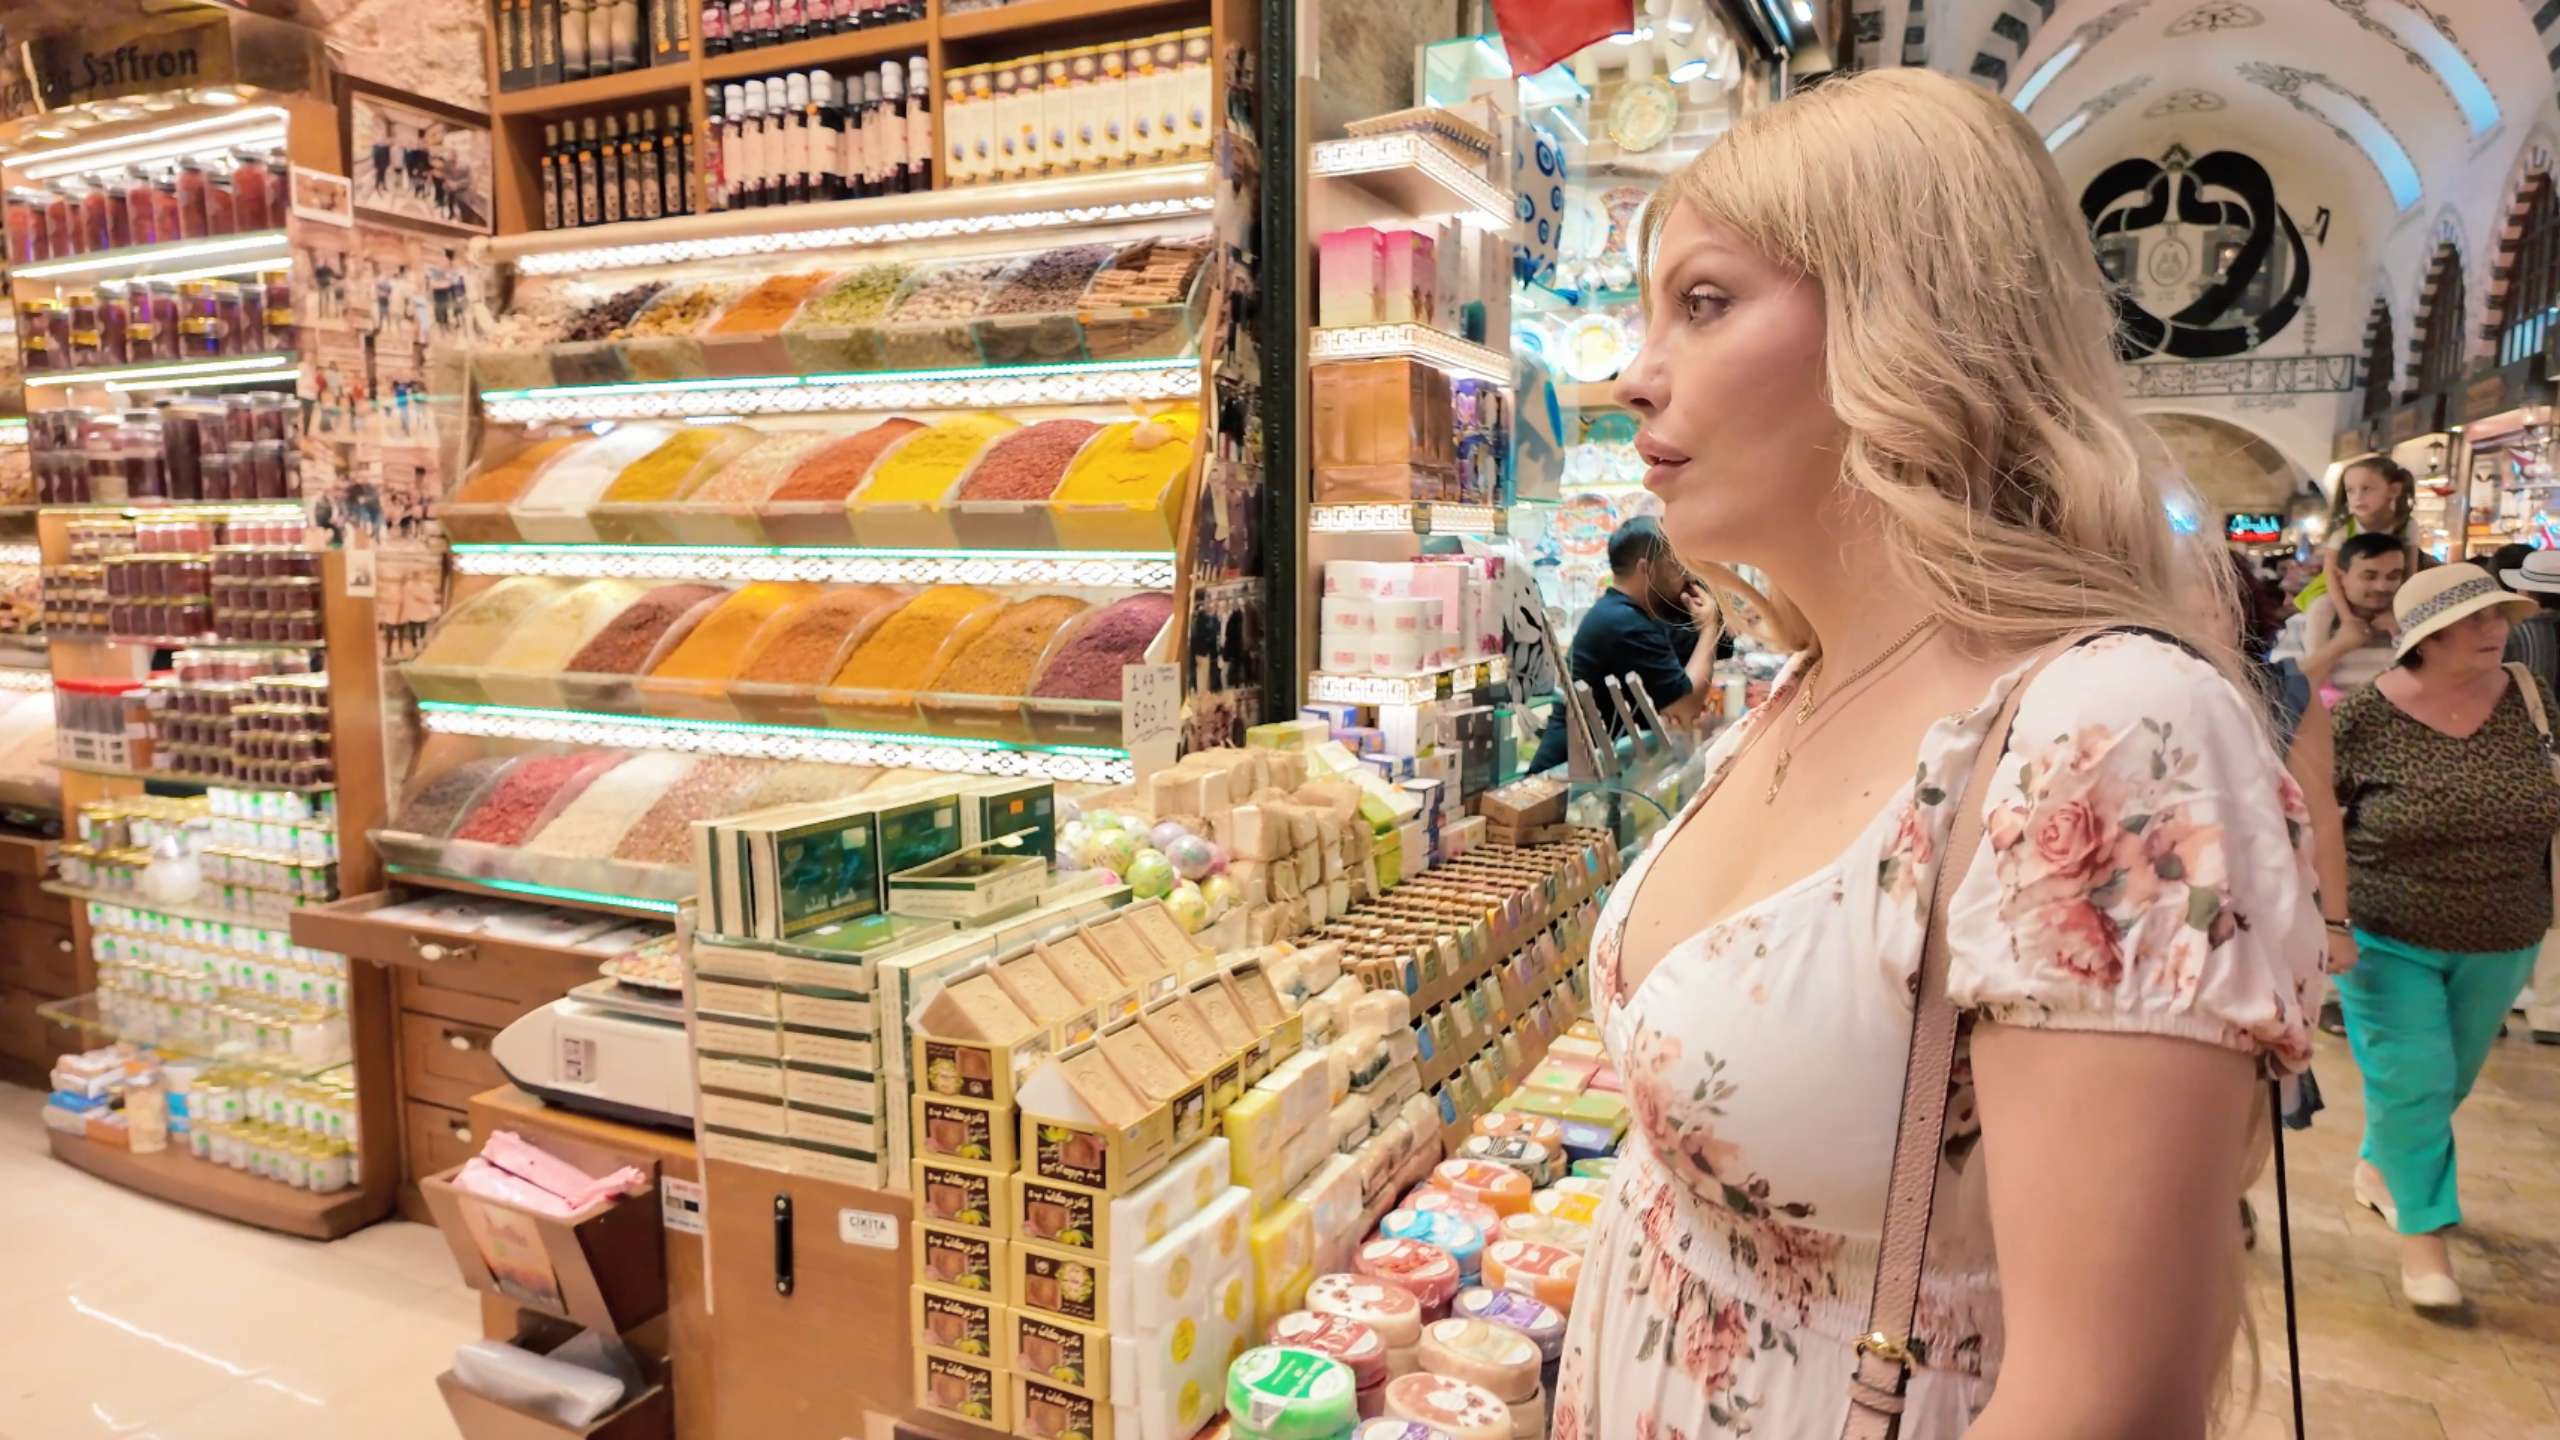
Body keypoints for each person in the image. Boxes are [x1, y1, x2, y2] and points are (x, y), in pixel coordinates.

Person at [1549, 70, 2321, 1440]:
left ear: (1911, 318)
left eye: (1705, 303)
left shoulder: (2110, 737)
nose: (1631, 376)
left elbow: (2105, 1401)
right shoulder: (1811, 684)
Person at [2330, 563, 2559, 1307]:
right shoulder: (2363, 718)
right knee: (2416, 1078)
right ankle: (2425, 1242)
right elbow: (2313, 823)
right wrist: (2326, 920)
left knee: (2444, 1081)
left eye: (2497, 615)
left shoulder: (2530, 696)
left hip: (2505, 929)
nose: (2493, 630)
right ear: (2423, 639)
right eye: (2471, 620)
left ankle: (2380, 1166)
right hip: (2385, 932)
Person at [1528, 516, 1719, 773]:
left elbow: (1682, 695)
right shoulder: (1625, 622)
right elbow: (1685, 705)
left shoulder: (1629, 614)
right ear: (1646, 569)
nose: (1683, 575)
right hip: (1563, 783)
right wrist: (1709, 627)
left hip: (1589, 777)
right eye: (1675, 565)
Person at [2498, 547, 2560, 1047]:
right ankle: (2552, 1012)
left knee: (2512, 881)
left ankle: (2500, 999)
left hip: (2525, 771)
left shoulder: (2516, 636)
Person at [2270, 530, 2408, 705]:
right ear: (2341, 577)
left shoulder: (2416, 625)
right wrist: (2339, 646)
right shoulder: (2302, 625)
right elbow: (2283, 692)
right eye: (2369, 576)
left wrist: (2402, 637)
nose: (2382, 586)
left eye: (2393, 576)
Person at [2296, 457, 2417, 612]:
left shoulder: (2407, 526)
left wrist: (2393, 610)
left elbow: (2410, 571)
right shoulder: (2343, 530)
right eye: (2350, 490)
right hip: (2338, 590)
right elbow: (2331, 575)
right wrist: (2346, 616)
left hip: (2386, 590)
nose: (2358, 497)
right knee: (2322, 609)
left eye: (2366, 489)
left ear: (2393, 490)